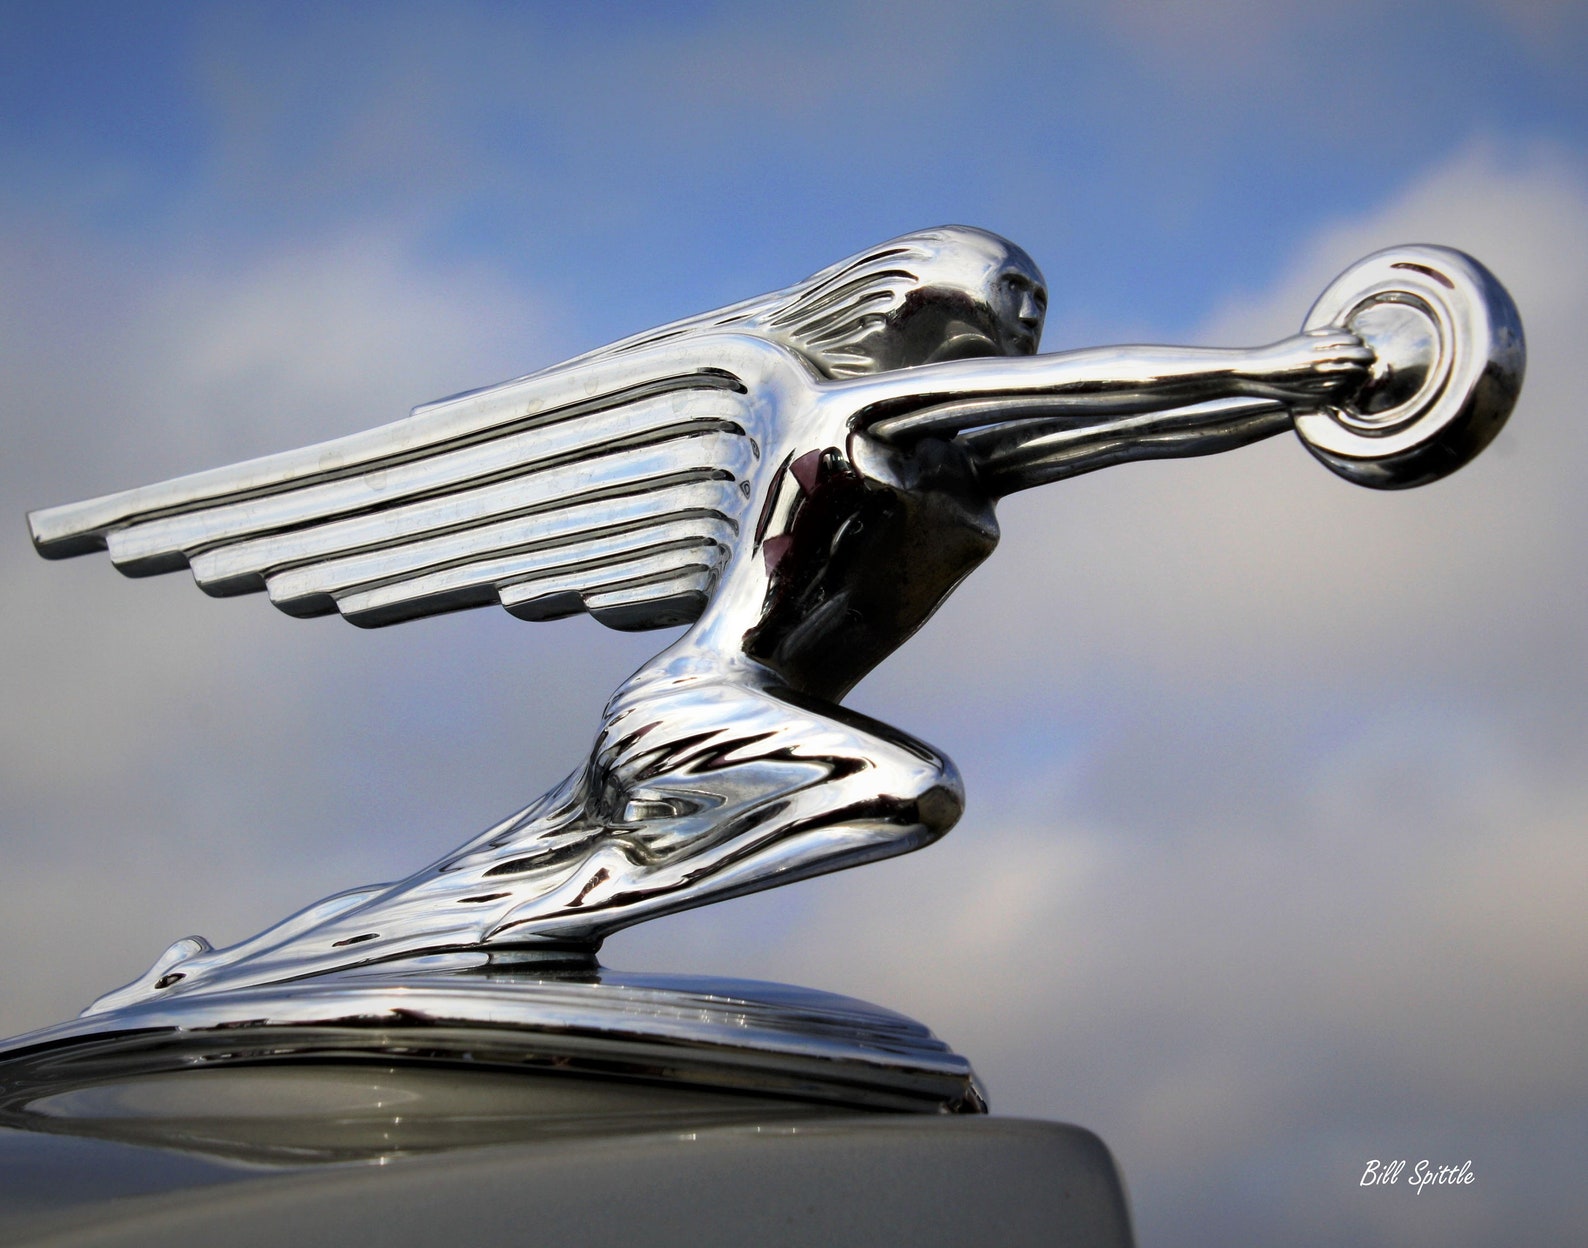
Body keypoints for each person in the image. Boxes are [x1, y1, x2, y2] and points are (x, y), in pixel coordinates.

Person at [66, 226, 1370, 1009]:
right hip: (697, 709)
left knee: (455, 890)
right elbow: (1109, 392)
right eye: (999, 311)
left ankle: (204, 975)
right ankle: (514, 927)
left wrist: (1291, 396)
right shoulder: (849, 418)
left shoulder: (973, 464)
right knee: (902, 793)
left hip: (718, 710)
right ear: (919, 319)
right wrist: (1282, 366)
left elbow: (1139, 423)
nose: (1024, 336)